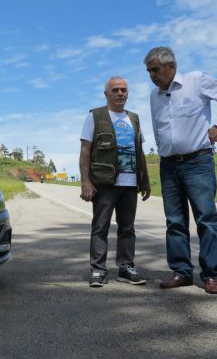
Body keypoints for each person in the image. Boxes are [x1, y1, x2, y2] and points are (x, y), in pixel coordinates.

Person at [144, 47, 217, 294]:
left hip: (198, 162)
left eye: (155, 70)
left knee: (206, 219)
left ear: (171, 67)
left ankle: (210, 275)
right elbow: (158, 127)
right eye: (149, 71)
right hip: (168, 165)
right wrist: (163, 150)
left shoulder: (196, 81)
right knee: (174, 221)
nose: (152, 76)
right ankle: (181, 272)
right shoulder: (154, 95)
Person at [79, 76, 151, 288]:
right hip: (104, 183)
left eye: (123, 90)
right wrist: (85, 181)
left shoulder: (134, 118)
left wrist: (145, 180)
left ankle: (126, 267)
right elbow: (85, 150)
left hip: (130, 184)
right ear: (106, 94)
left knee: (127, 228)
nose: (120, 93)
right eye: (115, 90)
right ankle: (98, 269)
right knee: (100, 227)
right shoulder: (95, 116)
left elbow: (140, 151)